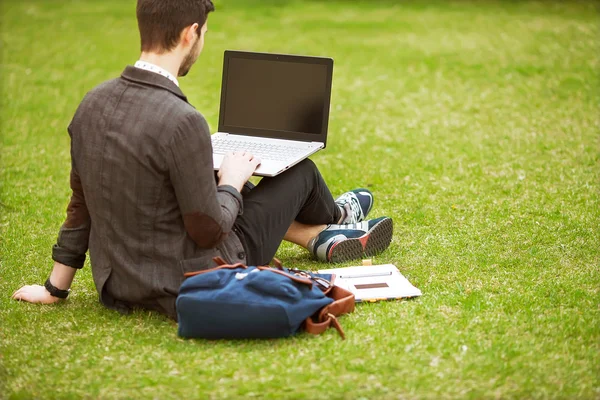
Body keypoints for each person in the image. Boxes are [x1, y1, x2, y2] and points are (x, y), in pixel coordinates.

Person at [11, 0, 393, 320]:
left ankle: (325, 230)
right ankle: (334, 219)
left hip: (119, 284)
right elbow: (209, 232)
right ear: (190, 33)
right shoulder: (183, 121)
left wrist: (54, 288)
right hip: (194, 279)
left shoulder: (91, 104)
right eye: (204, 34)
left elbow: (81, 205)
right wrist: (231, 179)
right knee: (302, 172)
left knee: (221, 182)